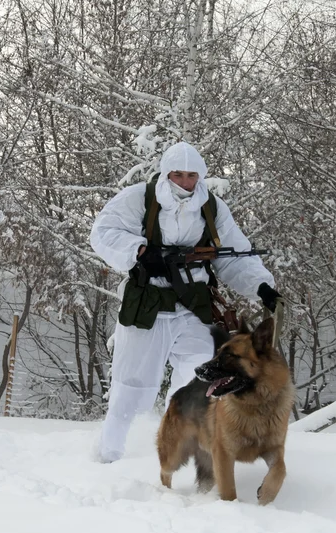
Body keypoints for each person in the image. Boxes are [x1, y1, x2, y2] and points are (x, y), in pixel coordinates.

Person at [90, 142, 281, 463]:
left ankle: (175, 447)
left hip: (193, 304)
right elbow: (103, 231)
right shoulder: (140, 198)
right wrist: (139, 250)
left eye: (191, 175)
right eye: (177, 174)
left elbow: (234, 256)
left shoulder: (212, 208)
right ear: (166, 173)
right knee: (133, 386)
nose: (184, 181)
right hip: (147, 303)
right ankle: (112, 457)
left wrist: (261, 286)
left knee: (199, 377)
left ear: (200, 176)